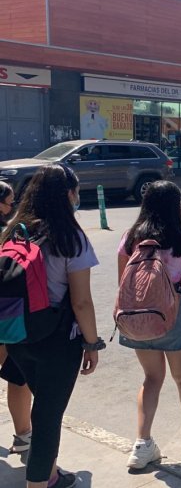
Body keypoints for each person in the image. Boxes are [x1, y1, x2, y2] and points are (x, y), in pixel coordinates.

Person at [0, 164, 101, 488]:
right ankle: (39, 483)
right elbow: (81, 302)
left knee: (42, 402)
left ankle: (52, 472)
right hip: (56, 339)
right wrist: (92, 343)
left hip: (16, 333)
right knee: (47, 415)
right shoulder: (70, 237)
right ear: (68, 195)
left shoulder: (15, 229)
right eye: (77, 191)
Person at [117, 181, 181, 469]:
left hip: (137, 318)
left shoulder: (130, 238)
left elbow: (124, 283)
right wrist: (175, 292)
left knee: (151, 379)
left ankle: (142, 444)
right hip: (174, 316)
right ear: (175, 205)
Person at [0, 180, 35, 464]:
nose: (13, 206)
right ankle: (24, 437)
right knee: (16, 374)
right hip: (6, 314)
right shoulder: (8, 234)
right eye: (10, 201)